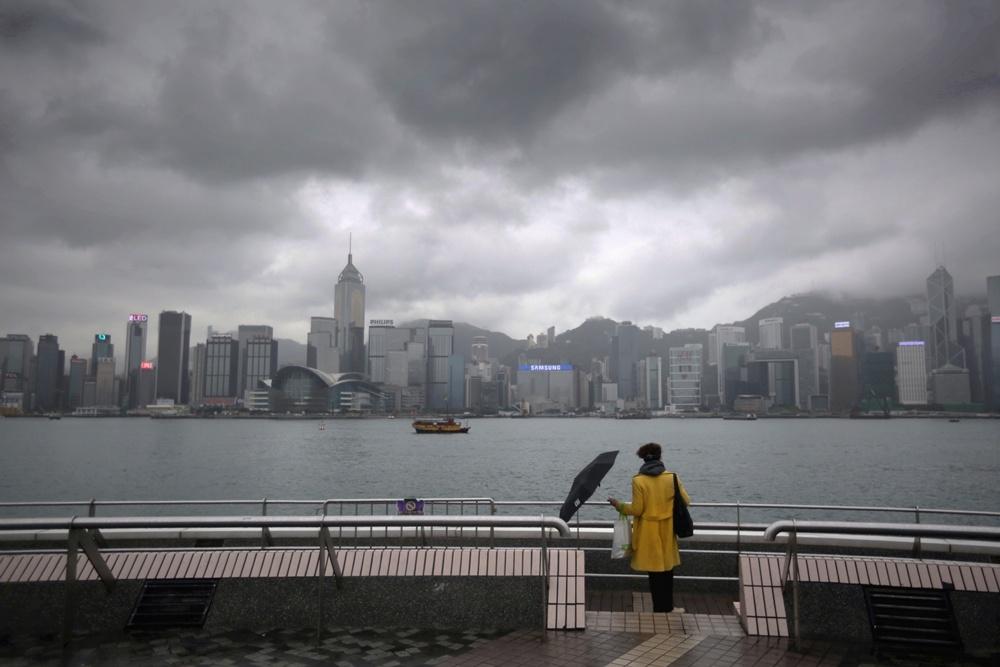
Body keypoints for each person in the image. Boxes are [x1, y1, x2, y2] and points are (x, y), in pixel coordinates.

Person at [608, 442, 691, 613]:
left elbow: (637, 510)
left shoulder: (638, 480)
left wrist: (619, 505)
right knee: (668, 570)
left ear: (643, 459)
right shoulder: (672, 477)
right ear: (660, 456)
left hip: (648, 532)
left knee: (654, 573)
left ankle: (659, 608)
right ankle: (668, 607)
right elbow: (686, 501)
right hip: (667, 530)